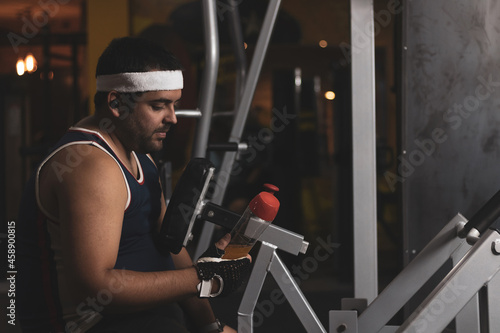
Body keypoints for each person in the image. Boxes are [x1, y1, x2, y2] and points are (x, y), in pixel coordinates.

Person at [17, 36, 251, 333]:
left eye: (174, 105)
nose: (173, 118)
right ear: (116, 103)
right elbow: (95, 289)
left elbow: (171, 247)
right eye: (158, 106)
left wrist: (210, 326)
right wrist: (203, 276)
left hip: (143, 317)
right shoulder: (90, 166)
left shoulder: (139, 155)